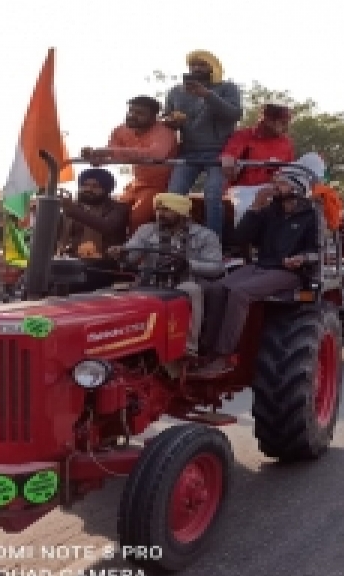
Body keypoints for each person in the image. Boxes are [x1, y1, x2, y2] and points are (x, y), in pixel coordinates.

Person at [196, 165, 320, 376]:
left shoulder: (311, 215)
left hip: (289, 272)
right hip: (262, 265)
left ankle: (225, 355)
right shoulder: (269, 211)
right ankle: (205, 348)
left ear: (296, 188)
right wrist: (254, 208)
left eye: (280, 184)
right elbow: (240, 238)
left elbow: (317, 251)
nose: (274, 187)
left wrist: (302, 258)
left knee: (240, 293)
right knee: (216, 288)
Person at [108, 193, 223, 356]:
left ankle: (189, 348)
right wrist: (120, 253)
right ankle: (124, 345)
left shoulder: (205, 235)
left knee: (192, 290)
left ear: (183, 213)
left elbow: (217, 267)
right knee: (114, 293)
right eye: (158, 209)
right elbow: (131, 256)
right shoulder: (146, 230)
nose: (160, 214)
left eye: (167, 210)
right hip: (149, 282)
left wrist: (189, 265)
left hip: (183, 281)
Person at [164, 50, 243, 239]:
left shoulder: (227, 88)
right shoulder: (176, 92)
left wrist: (208, 95)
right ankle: (171, 241)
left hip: (219, 152)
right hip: (188, 152)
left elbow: (234, 114)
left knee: (213, 195)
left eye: (202, 65)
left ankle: (213, 242)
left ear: (213, 66)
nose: (197, 68)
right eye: (193, 65)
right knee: (173, 196)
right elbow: (166, 117)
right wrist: (171, 121)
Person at [82, 96, 179, 231]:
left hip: (159, 185)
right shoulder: (120, 130)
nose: (132, 116)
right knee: (112, 212)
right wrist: (95, 158)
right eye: (131, 111)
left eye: (140, 113)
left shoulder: (164, 132)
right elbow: (112, 155)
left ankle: (134, 251)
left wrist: (108, 152)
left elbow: (156, 154)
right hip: (136, 184)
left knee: (137, 217)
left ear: (153, 117)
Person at [222, 103, 296, 226]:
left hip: (273, 188)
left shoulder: (286, 143)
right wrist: (229, 162)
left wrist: (281, 182)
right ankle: (244, 242)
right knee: (245, 210)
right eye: (283, 123)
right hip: (243, 188)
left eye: (288, 123)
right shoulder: (243, 136)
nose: (286, 127)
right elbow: (228, 160)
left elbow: (289, 171)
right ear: (268, 121)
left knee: (295, 207)